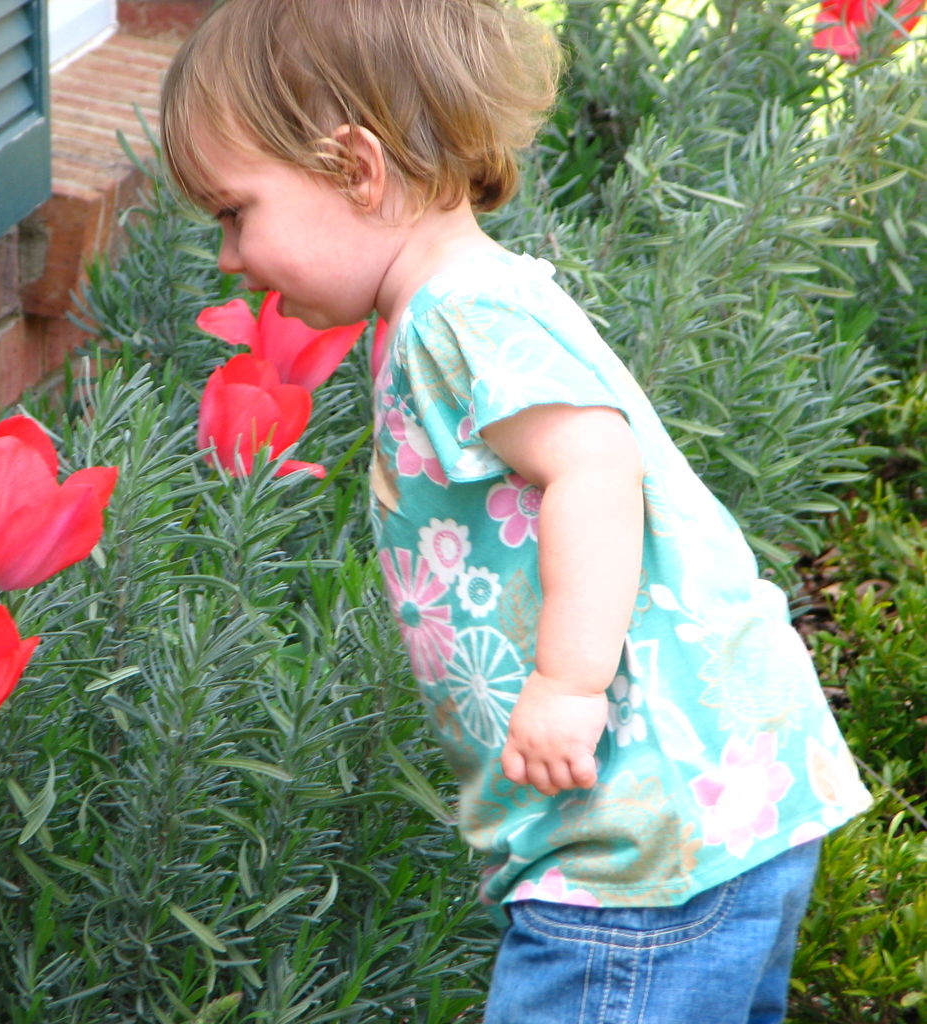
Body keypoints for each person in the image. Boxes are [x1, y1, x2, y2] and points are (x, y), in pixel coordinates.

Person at [158, 1, 873, 1020]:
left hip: (635, 850)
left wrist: (566, 683)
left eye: (235, 212)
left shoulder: (459, 315)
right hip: (696, 814)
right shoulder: (461, 301)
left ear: (356, 169)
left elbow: (595, 463)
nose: (228, 254)